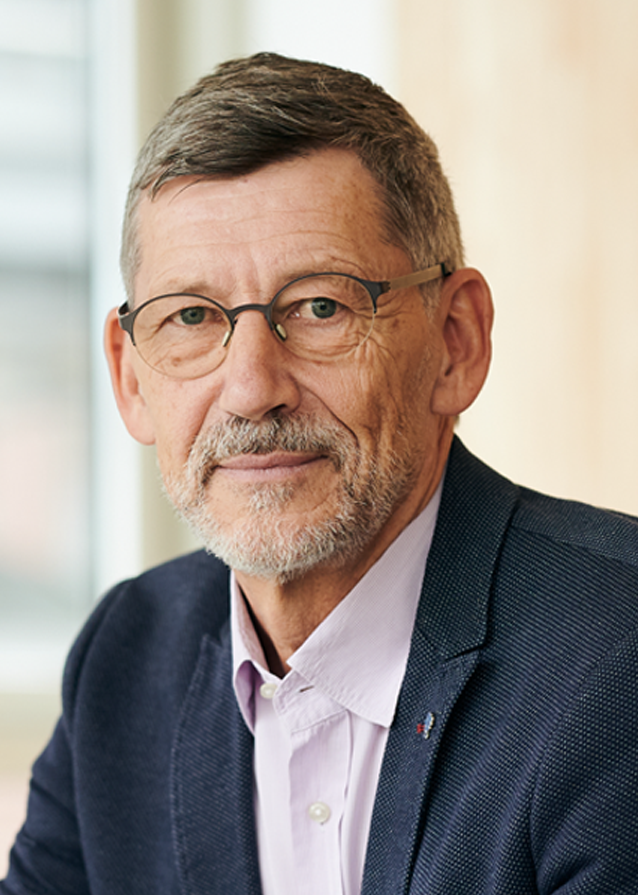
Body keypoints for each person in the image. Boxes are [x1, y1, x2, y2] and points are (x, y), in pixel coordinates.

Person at [2, 52, 638, 895]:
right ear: (131, 378)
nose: (253, 388)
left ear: (457, 342)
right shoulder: (126, 661)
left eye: (320, 306)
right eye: (192, 317)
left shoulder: (616, 656)